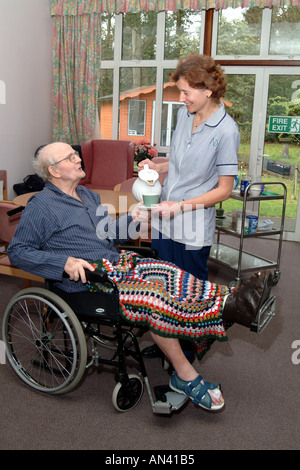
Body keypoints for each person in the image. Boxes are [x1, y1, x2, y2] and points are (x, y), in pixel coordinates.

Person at [8, 142, 273, 412]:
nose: (78, 159)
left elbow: (107, 235)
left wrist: (135, 217)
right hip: (90, 282)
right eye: (70, 157)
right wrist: (62, 262)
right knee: (155, 297)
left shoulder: (88, 196)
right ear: (54, 170)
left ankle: (232, 301)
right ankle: (189, 373)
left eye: (76, 154)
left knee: (171, 272)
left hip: (117, 263)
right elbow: (18, 252)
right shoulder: (40, 206)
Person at [138, 54, 240, 281]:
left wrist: (181, 206)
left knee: (189, 294)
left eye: (186, 92)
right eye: (180, 91)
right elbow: (181, 162)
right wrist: (158, 166)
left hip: (192, 227)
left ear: (208, 90)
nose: (181, 98)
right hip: (164, 219)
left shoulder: (226, 131)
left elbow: (224, 190)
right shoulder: (185, 115)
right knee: (159, 284)